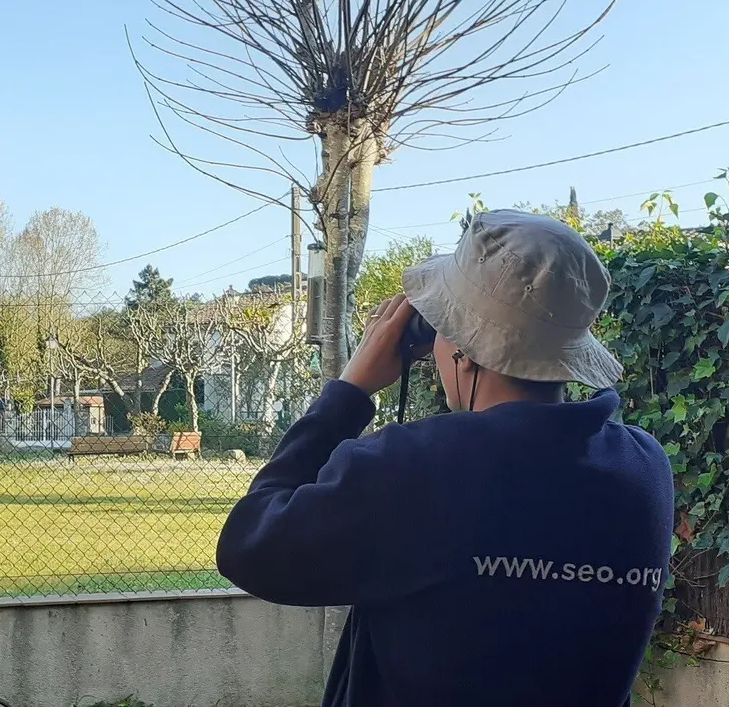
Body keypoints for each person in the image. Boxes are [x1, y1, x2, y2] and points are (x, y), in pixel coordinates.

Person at [215, 210, 675, 706]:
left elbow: (249, 548)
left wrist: (347, 394)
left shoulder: (413, 467)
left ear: (462, 348)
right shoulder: (644, 467)